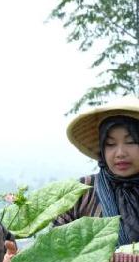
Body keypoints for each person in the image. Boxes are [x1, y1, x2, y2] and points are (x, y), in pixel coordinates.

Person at [56, 96, 139, 245]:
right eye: (110, 144)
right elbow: (56, 250)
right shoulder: (80, 192)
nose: (120, 153)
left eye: (131, 141)